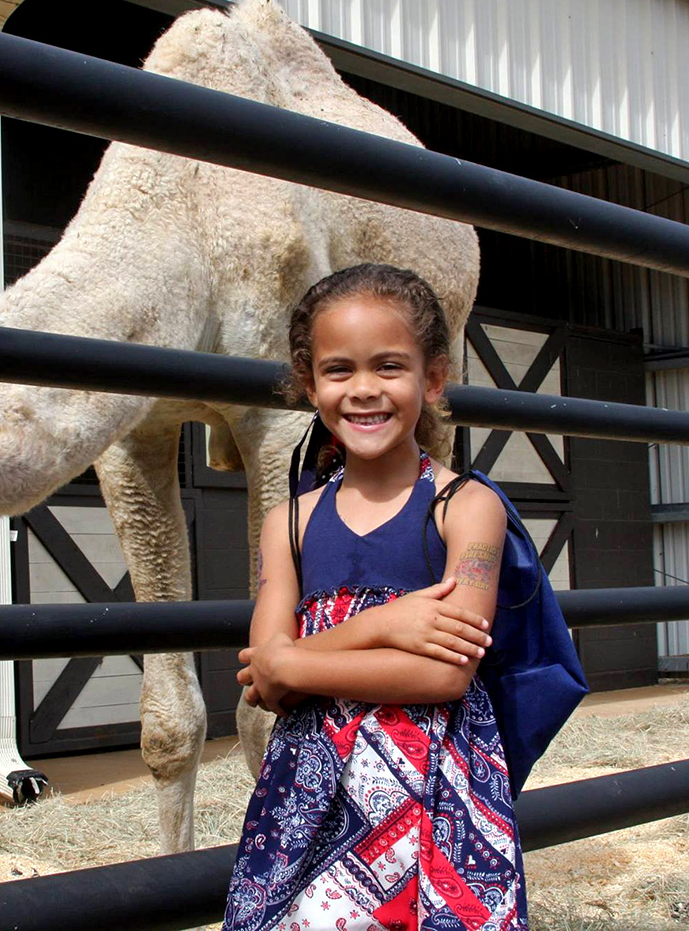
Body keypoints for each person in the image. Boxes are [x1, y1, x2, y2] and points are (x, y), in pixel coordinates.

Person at [225, 264, 528, 931]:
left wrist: (294, 662)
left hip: (434, 798)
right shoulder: (291, 524)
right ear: (310, 384)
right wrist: (387, 621)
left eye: (389, 366)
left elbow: (446, 672)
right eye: (339, 371)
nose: (364, 390)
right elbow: (267, 683)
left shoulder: (467, 508)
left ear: (435, 377)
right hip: (309, 801)